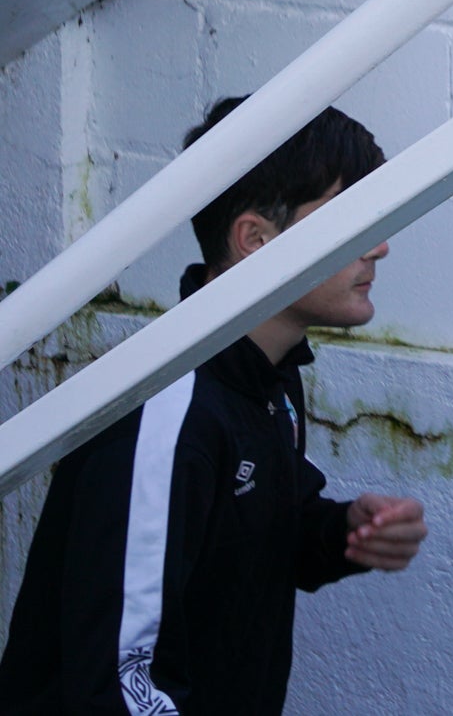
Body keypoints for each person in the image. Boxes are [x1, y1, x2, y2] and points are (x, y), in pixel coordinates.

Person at [0, 99, 427, 715]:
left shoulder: (263, 373)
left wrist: (342, 532)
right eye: (353, 216)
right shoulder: (167, 412)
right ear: (255, 239)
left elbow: (246, 525)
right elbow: (124, 686)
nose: (381, 246)